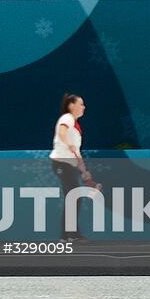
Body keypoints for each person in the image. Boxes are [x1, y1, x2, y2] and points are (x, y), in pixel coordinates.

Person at [49, 94, 100, 240]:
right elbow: (62, 132)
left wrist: (84, 171)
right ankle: (66, 235)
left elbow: (76, 152)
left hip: (70, 164)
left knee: (75, 197)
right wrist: (68, 143)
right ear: (71, 105)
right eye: (81, 104)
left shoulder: (77, 127)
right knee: (73, 196)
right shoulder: (67, 118)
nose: (83, 107)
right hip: (61, 162)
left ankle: (71, 233)